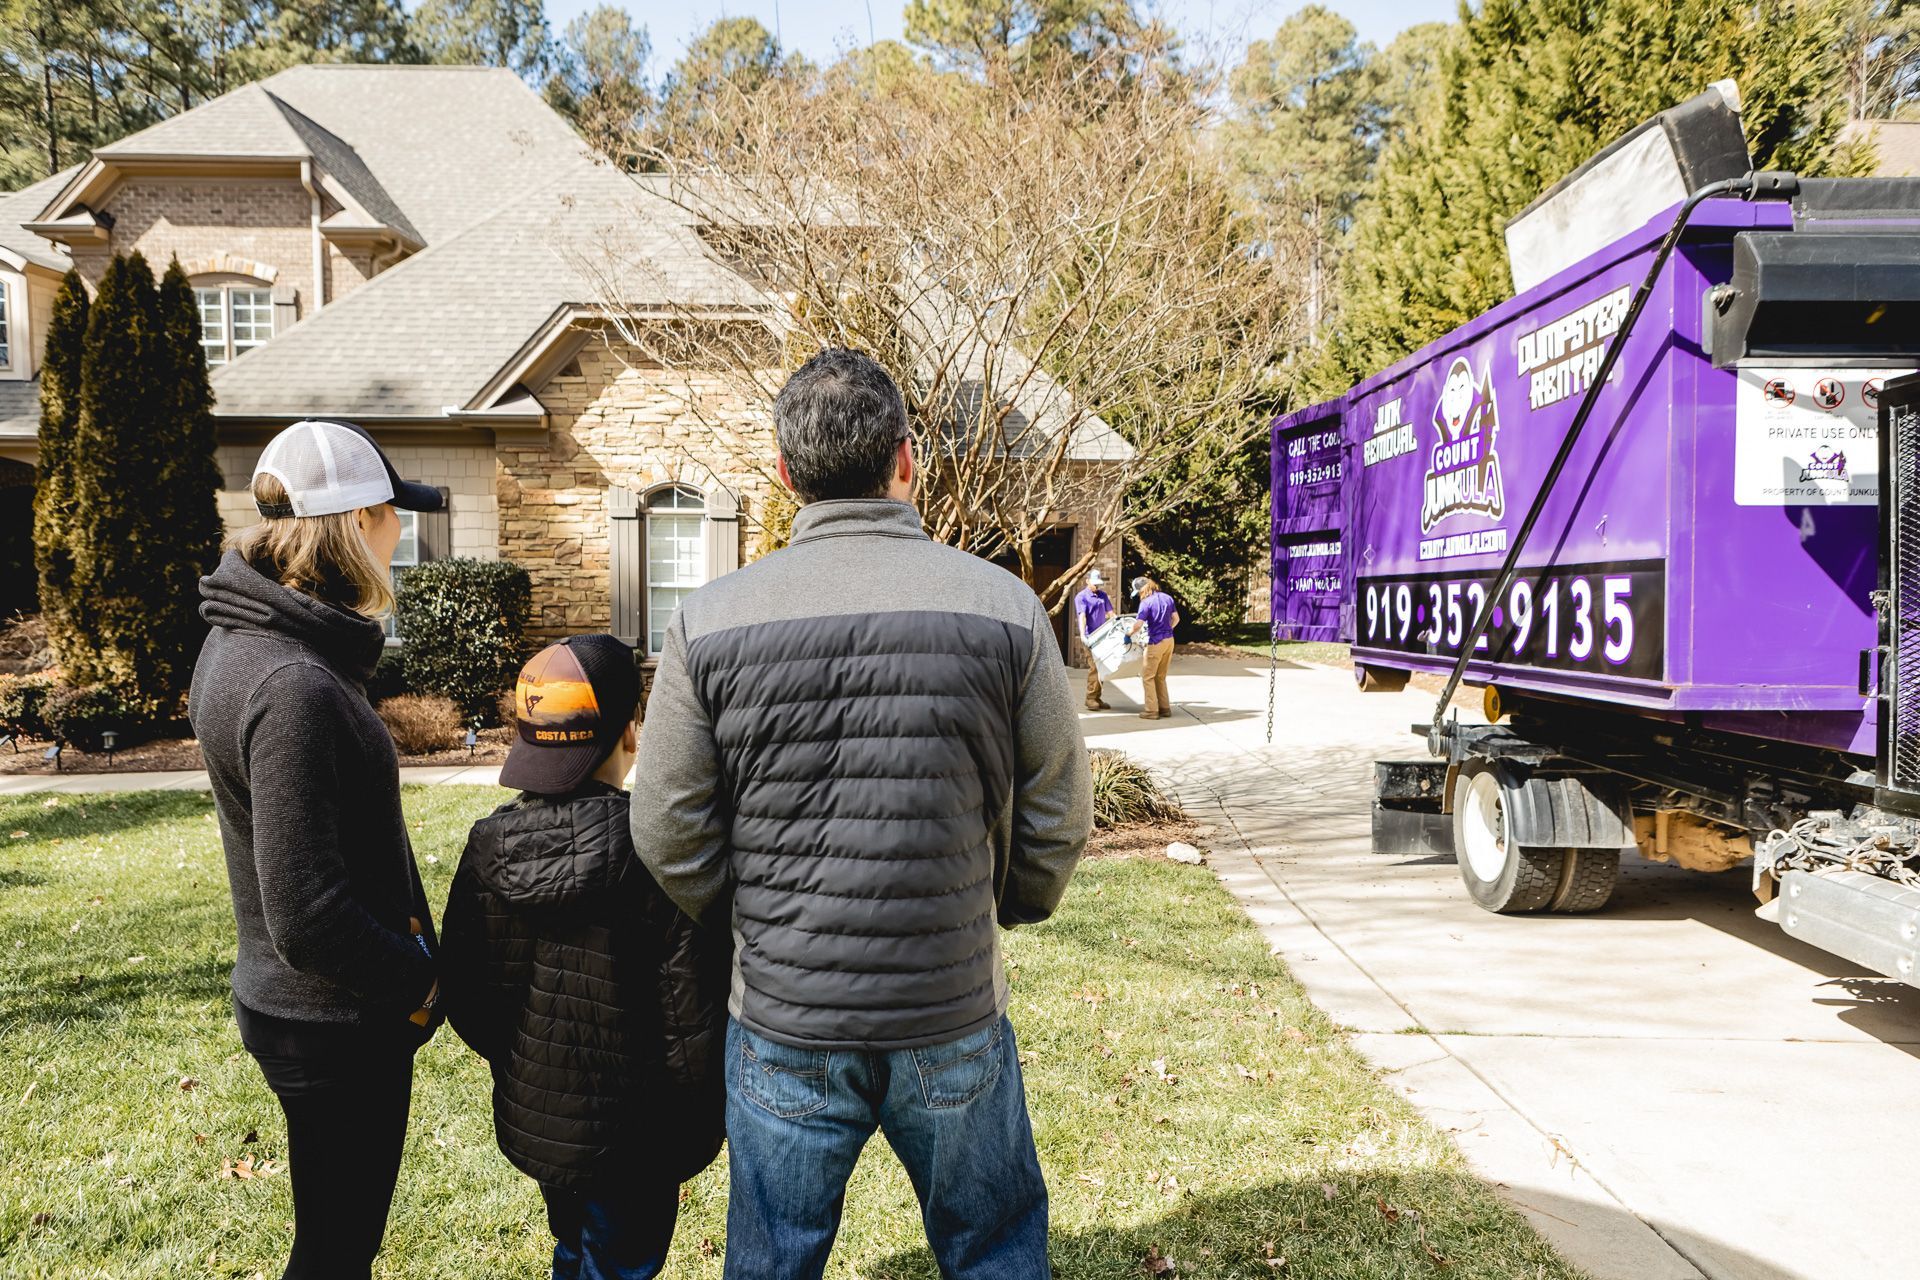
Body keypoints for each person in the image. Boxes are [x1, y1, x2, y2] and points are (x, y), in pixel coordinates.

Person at [632, 348, 1093, 1280]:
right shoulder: (1004, 607)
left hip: (785, 1017)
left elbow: (666, 826)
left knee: (772, 1262)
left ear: (784, 472)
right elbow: (1060, 807)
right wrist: (1013, 901)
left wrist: (754, 911)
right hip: (952, 1003)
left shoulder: (708, 620)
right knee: (995, 1249)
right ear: (907, 460)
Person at [188, 419, 446, 1280]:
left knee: (334, 1243)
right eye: (391, 514)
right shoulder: (290, 682)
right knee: (337, 1254)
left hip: (300, 1009)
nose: (400, 532)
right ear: (359, 523)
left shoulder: (246, 640)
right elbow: (308, 912)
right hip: (331, 1021)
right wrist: (419, 973)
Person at [440, 635, 728, 1280]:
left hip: (542, 1117)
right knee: (622, 1262)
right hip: (641, 1130)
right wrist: (696, 1115)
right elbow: (691, 1016)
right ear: (630, 732)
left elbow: (467, 992)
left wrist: (525, 1063)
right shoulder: (655, 851)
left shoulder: (488, 844)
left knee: (573, 1246)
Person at [1130, 575, 1180, 720]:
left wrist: (1129, 633)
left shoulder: (1146, 603)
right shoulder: (1167, 598)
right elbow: (1176, 619)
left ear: (1142, 589)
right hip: (1169, 641)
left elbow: (1138, 625)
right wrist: (1167, 631)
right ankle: (1165, 708)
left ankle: (1151, 711)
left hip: (1155, 643)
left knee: (1147, 676)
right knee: (1160, 676)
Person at [1074, 568, 1115, 711]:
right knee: (1095, 667)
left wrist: (1116, 625)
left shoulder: (1102, 595)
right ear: (1087, 581)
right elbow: (1082, 616)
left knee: (1103, 667)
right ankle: (1090, 698)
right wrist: (1082, 634)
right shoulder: (1081, 597)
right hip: (1090, 637)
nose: (1097, 587)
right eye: (1094, 584)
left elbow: (1111, 614)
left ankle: (1097, 697)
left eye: (1098, 584)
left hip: (1103, 636)